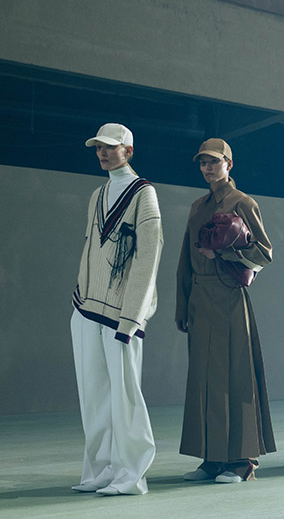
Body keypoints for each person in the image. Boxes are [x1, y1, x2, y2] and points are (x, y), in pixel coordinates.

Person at [176, 138, 276, 483]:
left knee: (235, 377)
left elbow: (264, 253)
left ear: (228, 164)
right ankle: (212, 458)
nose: (207, 168)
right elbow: (185, 258)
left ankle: (242, 460)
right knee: (203, 380)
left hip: (229, 297)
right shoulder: (196, 206)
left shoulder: (242, 202)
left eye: (214, 162)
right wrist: (182, 304)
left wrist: (223, 254)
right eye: (203, 162)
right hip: (200, 299)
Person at [70, 123, 162, 495]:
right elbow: (90, 247)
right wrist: (80, 297)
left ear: (128, 150)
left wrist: (133, 317)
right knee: (94, 395)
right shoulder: (98, 194)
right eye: (98, 148)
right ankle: (102, 469)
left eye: (110, 147)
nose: (103, 153)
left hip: (122, 313)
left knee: (124, 395)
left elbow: (148, 258)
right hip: (87, 307)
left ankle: (132, 474)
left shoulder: (144, 193)